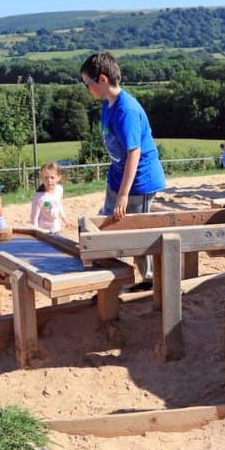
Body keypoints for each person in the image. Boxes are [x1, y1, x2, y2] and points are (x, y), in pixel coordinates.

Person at [81, 51, 166, 290]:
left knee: (136, 232)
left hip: (139, 182)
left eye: (88, 83)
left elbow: (134, 153)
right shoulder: (108, 105)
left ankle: (149, 280)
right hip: (117, 176)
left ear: (103, 79)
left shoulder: (126, 110)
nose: (87, 89)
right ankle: (108, 278)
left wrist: (123, 194)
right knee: (105, 224)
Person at [30, 162, 71, 234]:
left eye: (52, 177)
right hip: (44, 231)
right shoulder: (38, 197)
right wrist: (35, 233)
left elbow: (59, 205)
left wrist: (66, 220)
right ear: (42, 178)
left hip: (56, 227)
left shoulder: (59, 189)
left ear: (58, 177)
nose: (49, 180)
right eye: (46, 177)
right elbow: (34, 217)